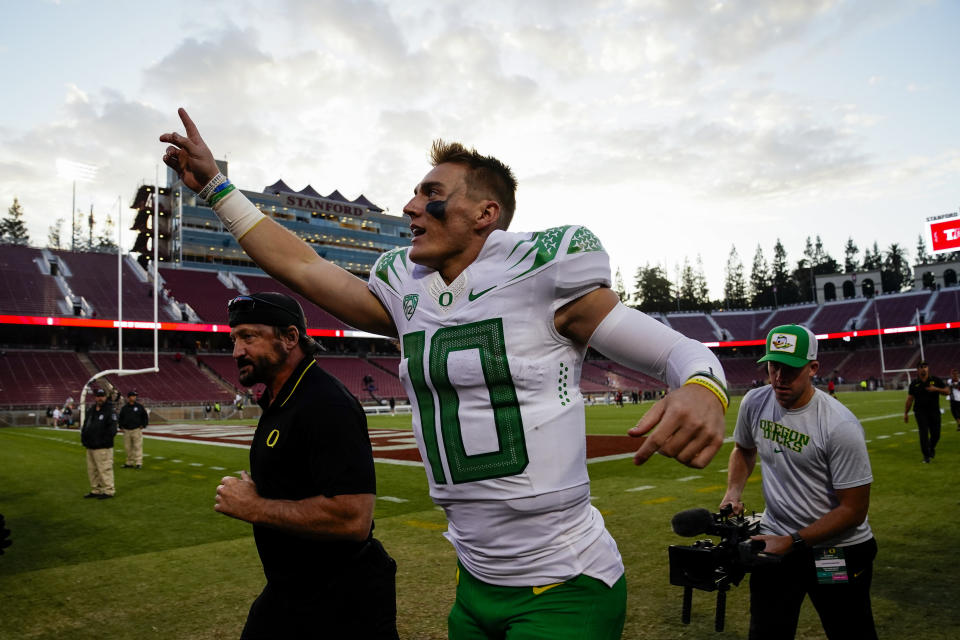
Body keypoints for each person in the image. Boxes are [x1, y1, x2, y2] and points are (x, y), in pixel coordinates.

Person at [161, 109, 727, 639]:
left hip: (565, 584)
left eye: (431, 193)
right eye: (414, 192)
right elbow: (301, 264)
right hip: (474, 587)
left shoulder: (542, 273)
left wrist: (703, 387)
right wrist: (216, 189)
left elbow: (678, 352)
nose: (410, 206)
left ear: (486, 214)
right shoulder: (407, 294)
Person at [216, 292, 398, 638]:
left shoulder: (325, 403)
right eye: (234, 339)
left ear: (290, 337)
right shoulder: (282, 399)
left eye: (249, 336)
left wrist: (255, 506)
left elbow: (353, 517)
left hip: (342, 599)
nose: (237, 350)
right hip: (293, 588)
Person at [720, 325, 877, 640]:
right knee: (766, 633)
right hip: (777, 544)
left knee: (850, 631)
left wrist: (793, 541)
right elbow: (744, 450)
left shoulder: (839, 425)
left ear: (813, 368)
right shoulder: (754, 402)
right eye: (773, 366)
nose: (778, 377)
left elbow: (854, 510)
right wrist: (733, 492)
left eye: (790, 369)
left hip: (835, 551)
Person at [904, 360, 949, 463]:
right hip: (920, 412)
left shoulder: (936, 380)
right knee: (923, 433)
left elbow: (947, 392)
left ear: (928, 368)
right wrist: (906, 413)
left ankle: (931, 447)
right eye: (921, 367)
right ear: (918, 369)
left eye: (925, 366)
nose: (923, 368)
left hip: (934, 411)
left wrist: (936, 389)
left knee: (936, 434)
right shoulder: (914, 384)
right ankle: (926, 456)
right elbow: (910, 399)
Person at [81, 388, 118, 499]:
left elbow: (112, 430)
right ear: (95, 397)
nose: (100, 398)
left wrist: (103, 441)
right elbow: (85, 425)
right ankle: (96, 490)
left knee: (104, 469)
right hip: (90, 446)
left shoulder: (109, 410)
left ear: (105, 397)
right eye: (98, 396)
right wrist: (84, 439)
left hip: (103, 447)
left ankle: (108, 490)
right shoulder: (91, 410)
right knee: (92, 470)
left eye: (102, 396)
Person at [118, 390, 149, 469]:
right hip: (127, 430)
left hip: (136, 429)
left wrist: (143, 425)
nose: (134, 397)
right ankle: (129, 462)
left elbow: (145, 416)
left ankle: (138, 462)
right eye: (132, 396)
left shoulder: (139, 406)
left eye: (135, 396)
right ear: (128, 398)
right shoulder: (124, 408)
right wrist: (121, 426)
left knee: (137, 446)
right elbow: (120, 418)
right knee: (128, 447)